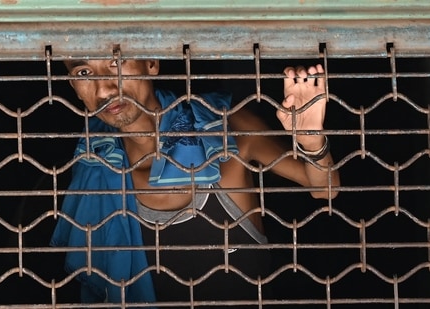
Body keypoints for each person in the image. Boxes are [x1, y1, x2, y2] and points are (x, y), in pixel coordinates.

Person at [50, 58, 340, 307]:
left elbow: (324, 189)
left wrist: (311, 141)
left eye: (117, 63)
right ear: (73, 86)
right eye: (84, 73)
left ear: (151, 63)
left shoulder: (225, 131)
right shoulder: (94, 165)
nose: (103, 88)